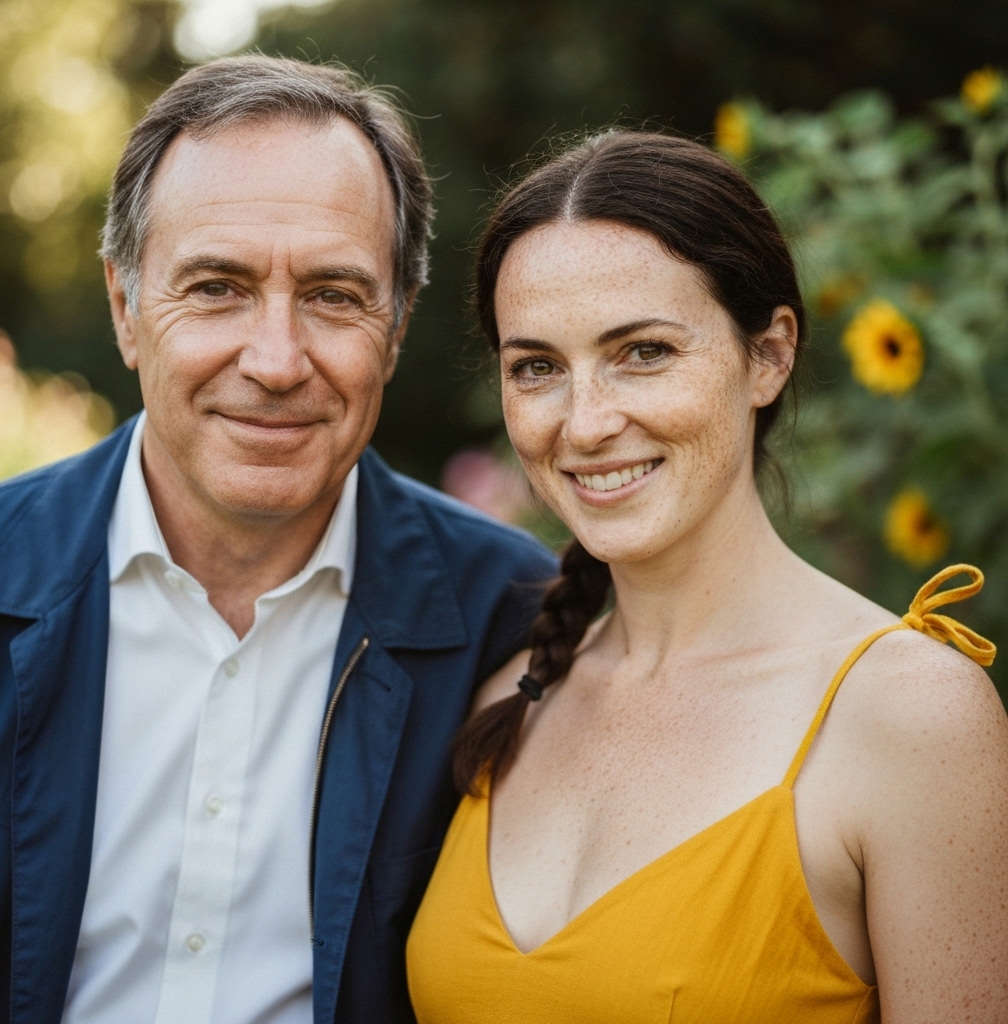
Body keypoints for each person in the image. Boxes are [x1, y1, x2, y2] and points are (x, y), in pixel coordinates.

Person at [0, 56, 556, 1024]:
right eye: (216, 286)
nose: (278, 361)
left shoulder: (513, 624)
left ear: (399, 322)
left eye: (335, 294)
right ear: (127, 309)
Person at [406, 130, 1008, 1022]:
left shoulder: (909, 714)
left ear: (768, 355)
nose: (585, 423)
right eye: (537, 368)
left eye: (642, 351)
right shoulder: (513, 691)